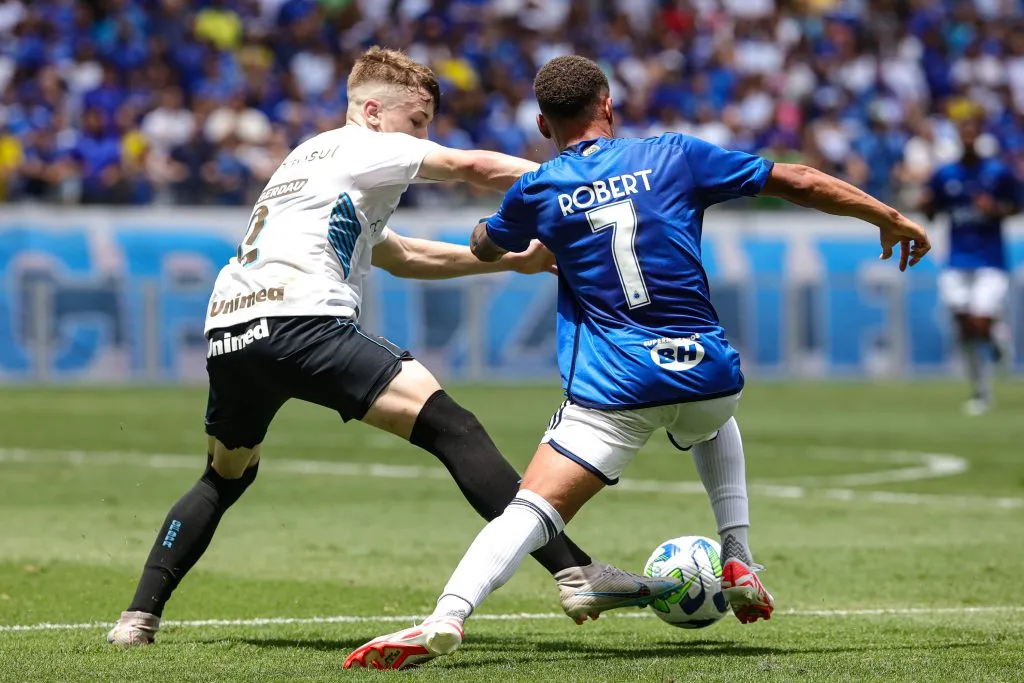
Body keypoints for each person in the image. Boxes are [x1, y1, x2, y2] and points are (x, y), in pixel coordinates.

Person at [344, 55, 931, 670]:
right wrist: (886, 216)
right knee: (711, 420)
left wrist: (507, 231)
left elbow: (488, 244)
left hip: (617, 389)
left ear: (544, 128)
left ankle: (447, 617)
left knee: (531, 510)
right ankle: (737, 554)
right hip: (708, 374)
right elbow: (801, 179)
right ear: (608, 105)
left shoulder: (538, 189)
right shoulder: (675, 154)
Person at [106, 48, 678, 647]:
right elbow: (472, 166)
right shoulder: (365, 144)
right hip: (304, 322)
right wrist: (578, 174)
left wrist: (516, 262)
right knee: (453, 428)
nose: (423, 136)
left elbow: (401, 255)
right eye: (418, 120)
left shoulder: (309, 160)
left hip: (232, 332)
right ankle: (575, 570)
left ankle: (136, 620)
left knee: (225, 475)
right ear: (373, 111)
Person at [921, 111, 1020, 415]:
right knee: (964, 328)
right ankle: (981, 390)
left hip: (990, 259)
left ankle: (995, 336)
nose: (967, 139)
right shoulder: (945, 175)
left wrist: (994, 209)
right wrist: (925, 205)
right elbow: (931, 210)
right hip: (957, 259)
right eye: (962, 133)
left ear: (979, 138)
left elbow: (1016, 205)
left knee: (978, 321)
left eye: (971, 133)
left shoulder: (997, 172)